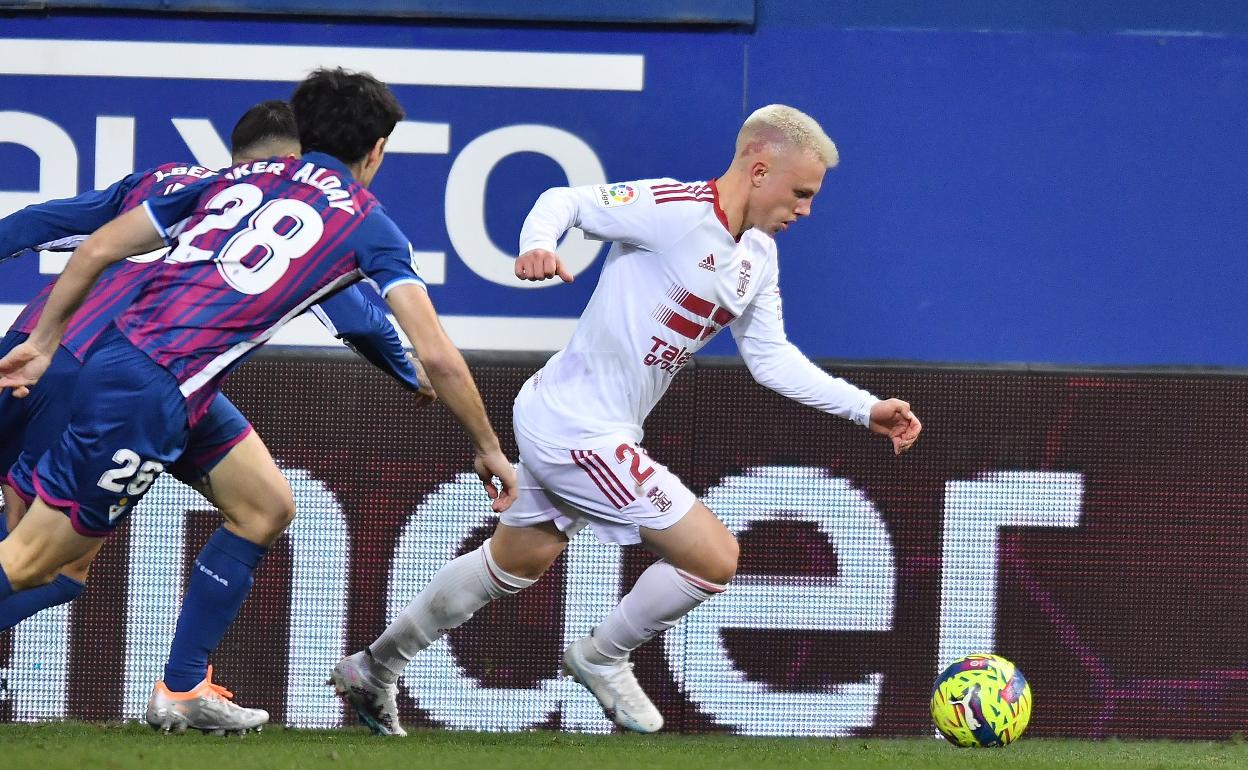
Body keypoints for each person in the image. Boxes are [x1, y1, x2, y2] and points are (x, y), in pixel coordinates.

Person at [331, 104, 923, 736]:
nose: (805, 209)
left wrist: (865, 409)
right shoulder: (674, 210)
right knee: (715, 557)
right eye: (800, 192)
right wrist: (537, 244)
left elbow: (771, 359)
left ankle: (374, 667)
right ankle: (602, 655)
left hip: (583, 423)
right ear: (758, 170)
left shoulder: (759, 258)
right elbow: (566, 200)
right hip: (575, 429)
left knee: (514, 563)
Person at [0, 70, 514, 732]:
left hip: (138, 373)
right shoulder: (361, 221)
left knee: (266, 505)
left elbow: (83, 238)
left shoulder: (217, 182)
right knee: (39, 564)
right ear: (377, 150)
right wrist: (484, 441)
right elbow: (412, 342)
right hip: (146, 386)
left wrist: (42, 340)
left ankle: (182, 690)